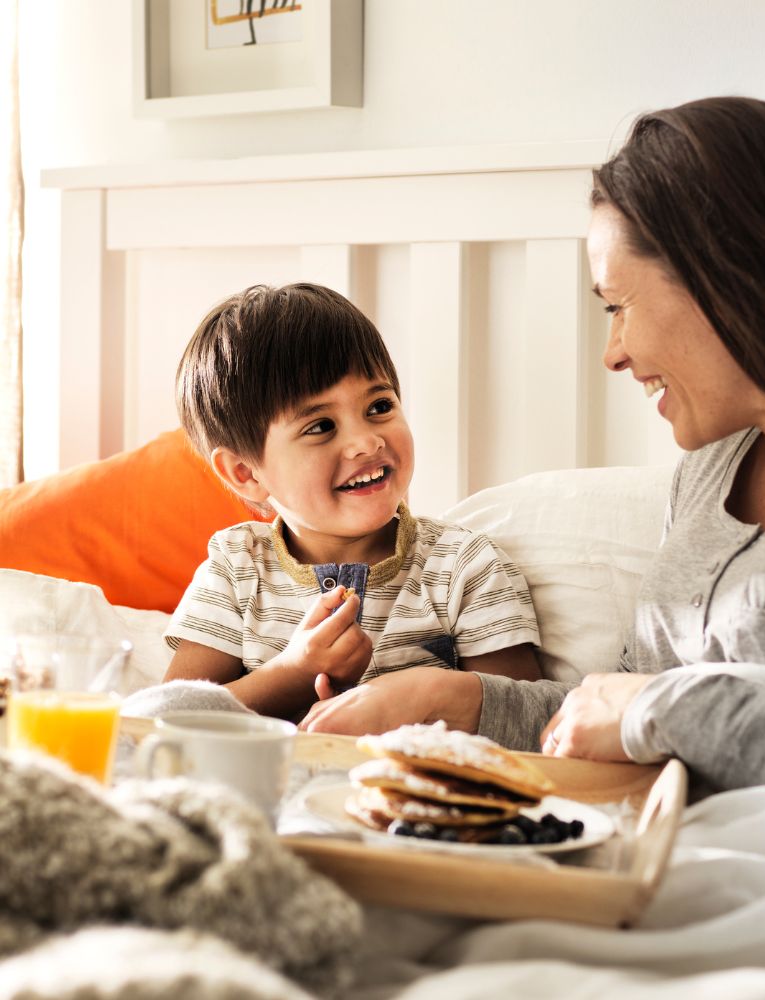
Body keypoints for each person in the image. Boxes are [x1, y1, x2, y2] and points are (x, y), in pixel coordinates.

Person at [301, 96, 765, 791]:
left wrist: (653, 707)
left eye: (618, 306)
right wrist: (453, 700)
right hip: (646, 857)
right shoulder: (709, 476)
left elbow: (651, 711)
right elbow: (616, 716)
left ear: (724, 275)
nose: (613, 353)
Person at [163, 282, 541, 721]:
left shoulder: (464, 566)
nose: (366, 441)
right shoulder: (235, 568)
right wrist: (294, 672)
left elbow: (523, 723)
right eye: (321, 426)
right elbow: (169, 718)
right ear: (246, 474)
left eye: (379, 406)